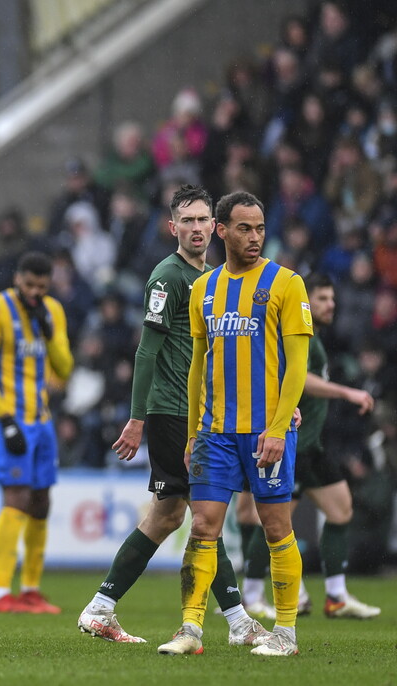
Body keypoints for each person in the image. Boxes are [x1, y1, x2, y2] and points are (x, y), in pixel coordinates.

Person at [77, 185, 269, 646]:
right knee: (204, 515)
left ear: (214, 226)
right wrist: (137, 418)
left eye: (203, 219)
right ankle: (240, 623)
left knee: (167, 516)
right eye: (188, 220)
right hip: (173, 413)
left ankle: (100, 608)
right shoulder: (168, 277)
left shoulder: (212, 278)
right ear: (173, 228)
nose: (196, 228)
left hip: (201, 412)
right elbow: (147, 352)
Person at [157, 190, 312, 658]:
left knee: (276, 526)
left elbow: (298, 364)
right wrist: (192, 433)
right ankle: (190, 629)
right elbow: (197, 364)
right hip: (215, 432)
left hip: (266, 431)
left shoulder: (287, 283)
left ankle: (285, 633)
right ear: (222, 231)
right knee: (203, 526)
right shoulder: (204, 289)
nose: (254, 236)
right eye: (244, 228)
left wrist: (279, 428)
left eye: (260, 228)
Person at [243, 273, 381, 620]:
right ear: (305, 302)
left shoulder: (315, 336)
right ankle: (252, 595)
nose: (330, 304)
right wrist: (346, 392)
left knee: (341, 509)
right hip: (293, 441)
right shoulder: (297, 332)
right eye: (321, 298)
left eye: (332, 298)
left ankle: (336, 596)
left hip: (312, 444)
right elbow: (300, 379)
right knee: (274, 519)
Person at [0, 251, 74, 614]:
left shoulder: (52, 311)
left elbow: (65, 367)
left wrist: (50, 333)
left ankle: (31, 589)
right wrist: (5, 419)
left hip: (41, 420)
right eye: (29, 285)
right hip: (5, 420)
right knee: (16, 496)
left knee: (41, 501)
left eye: (41, 287)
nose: (34, 293)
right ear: (17, 279)